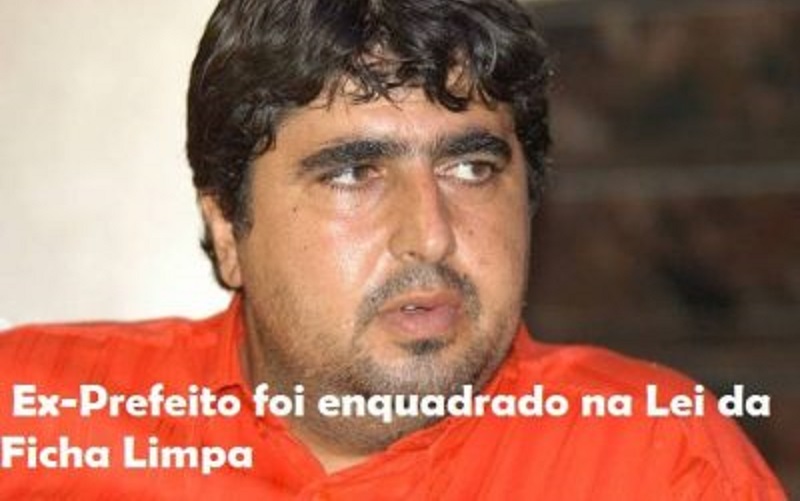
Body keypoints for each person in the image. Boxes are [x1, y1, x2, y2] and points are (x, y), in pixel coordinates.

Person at [0, 0, 786, 498]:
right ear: (229, 228)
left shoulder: (659, 460)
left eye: (472, 168)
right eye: (352, 172)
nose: (431, 233)